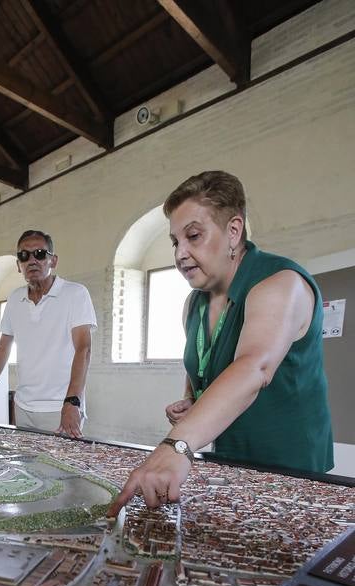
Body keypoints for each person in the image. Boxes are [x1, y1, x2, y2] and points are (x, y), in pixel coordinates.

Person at [109, 170, 333, 515]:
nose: (180, 254)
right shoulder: (194, 303)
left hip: (291, 469)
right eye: (175, 242)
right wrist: (191, 401)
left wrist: (176, 446)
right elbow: (203, 369)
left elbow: (254, 367)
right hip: (228, 459)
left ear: (233, 231)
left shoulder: (280, 283)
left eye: (193, 236)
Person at [0, 230, 97, 438]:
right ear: (18, 265)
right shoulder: (15, 299)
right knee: (26, 460)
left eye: (40, 254)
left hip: (60, 407)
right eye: (24, 255)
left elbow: (84, 348)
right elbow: (2, 349)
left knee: (62, 461)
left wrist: (73, 402)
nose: (32, 260)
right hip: (23, 407)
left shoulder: (75, 293)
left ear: (53, 260)